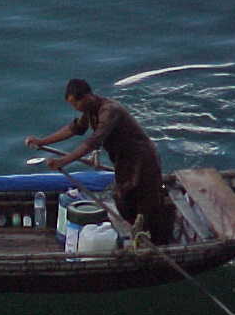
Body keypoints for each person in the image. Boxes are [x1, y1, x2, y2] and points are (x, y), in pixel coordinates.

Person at [25, 78, 171, 244]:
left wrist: (63, 161)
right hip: (123, 161)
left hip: (142, 160)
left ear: (86, 97)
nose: (75, 108)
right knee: (123, 200)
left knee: (146, 204)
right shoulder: (90, 110)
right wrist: (42, 141)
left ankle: (156, 242)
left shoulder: (109, 111)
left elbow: (91, 143)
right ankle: (138, 236)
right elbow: (75, 129)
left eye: (75, 104)